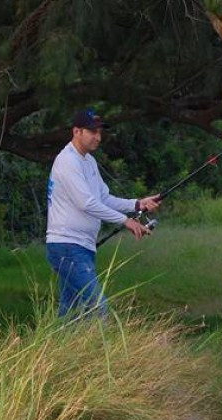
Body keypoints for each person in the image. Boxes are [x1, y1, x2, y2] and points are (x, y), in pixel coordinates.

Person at [46, 108, 161, 318]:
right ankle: (103, 349)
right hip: (67, 246)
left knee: (69, 314)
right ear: (76, 131)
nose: (98, 137)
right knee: (98, 308)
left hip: (83, 246)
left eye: (100, 132)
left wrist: (137, 204)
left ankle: (58, 348)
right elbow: (86, 203)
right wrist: (126, 221)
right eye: (92, 132)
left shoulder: (88, 161)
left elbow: (104, 198)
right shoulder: (67, 161)